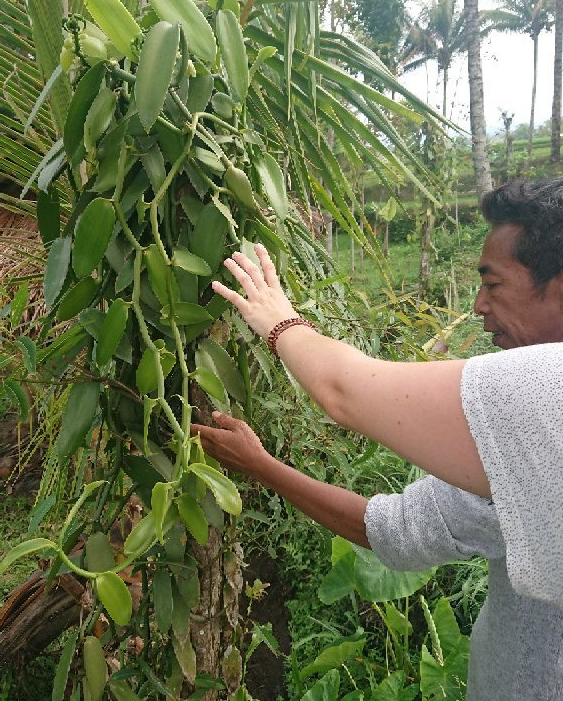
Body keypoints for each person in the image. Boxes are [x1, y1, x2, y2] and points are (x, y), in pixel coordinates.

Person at [191, 178, 563, 701]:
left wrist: (279, 322)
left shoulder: (547, 390)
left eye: (494, 284)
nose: (478, 305)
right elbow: (400, 525)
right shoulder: (528, 455)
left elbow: (345, 392)